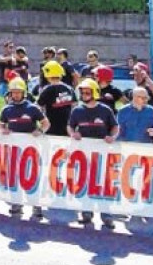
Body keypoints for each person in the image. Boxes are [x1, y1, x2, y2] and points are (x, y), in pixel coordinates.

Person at [67, 79, 119, 228]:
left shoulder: (105, 110)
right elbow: (70, 127)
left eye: (87, 92)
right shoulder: (77, 110)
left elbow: (115, 127)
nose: (84, 95)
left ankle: (106, 215)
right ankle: (86, 213)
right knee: (85, 181)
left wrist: (112, 137)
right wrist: (73, 134)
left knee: (103, 183)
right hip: (84, 154)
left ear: (95, 93)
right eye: (82, 92)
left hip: (103, 154)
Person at [0, 77, 49, 218]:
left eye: (18, 92)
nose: (15, 95)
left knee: (32, 177)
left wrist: (40, 131)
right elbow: (0, 124)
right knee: (15, 177)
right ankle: (17, 204)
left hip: (31, 150)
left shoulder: (32, 108)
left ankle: (36, 206)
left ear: (23, 93)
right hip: (14, 151)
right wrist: (2, 130)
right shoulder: (6, 109)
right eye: (13, 92)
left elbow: (46, 123)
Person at [37, 61, 77, 136]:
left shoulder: (46, 90)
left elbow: (38, 108)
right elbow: (75, 107)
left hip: (50, 129)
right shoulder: (69, 89)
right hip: (68, 129)